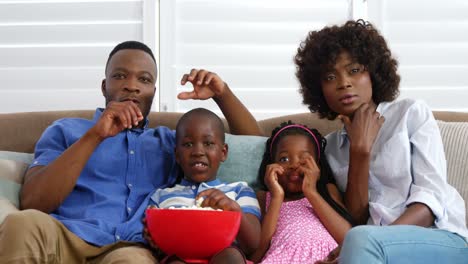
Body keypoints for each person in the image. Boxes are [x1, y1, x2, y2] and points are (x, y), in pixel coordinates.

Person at [0, 41, 261, 264]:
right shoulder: (66, 130)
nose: (132, 86)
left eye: (144, 79)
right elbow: (33, 201)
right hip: (64, 235)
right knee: (21, 224)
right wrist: (95, 135)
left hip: (130, 248)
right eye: (120, 76)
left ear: (153, 92)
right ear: (104, 86)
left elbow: (258, 144)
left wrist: (222, 95)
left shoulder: (172, 143)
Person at [294, 20, 468, 263]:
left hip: (441, 238)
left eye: (354, 70)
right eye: (330, 77)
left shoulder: (410, 113)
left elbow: (430, 202)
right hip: (375, 248)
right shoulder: (329, 147)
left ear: (373, 73)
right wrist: (359, 150)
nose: (344, 82)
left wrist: (372, 240)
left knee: (357, 239)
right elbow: (355, 215)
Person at [146, 107, 261, 263]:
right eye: (187, 144)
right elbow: (154, 242)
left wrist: (233, 209)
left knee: (231, 256)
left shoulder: (239, 190)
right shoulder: (161, 195)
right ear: (177, 155)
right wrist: (153, 236)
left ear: (223, 152)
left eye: (208, 143)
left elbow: (253, 244)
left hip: (225, 257)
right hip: (180, 257)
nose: (198, 151)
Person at [249, 121, 354, 263]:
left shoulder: (327, 191)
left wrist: (311, 192)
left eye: (304, 159)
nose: (294, 165)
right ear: (271, 163)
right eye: (284, 159)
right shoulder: (264, 197)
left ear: (317, 165)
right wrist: (276, 198)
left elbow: (348, 239)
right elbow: (257, 253)